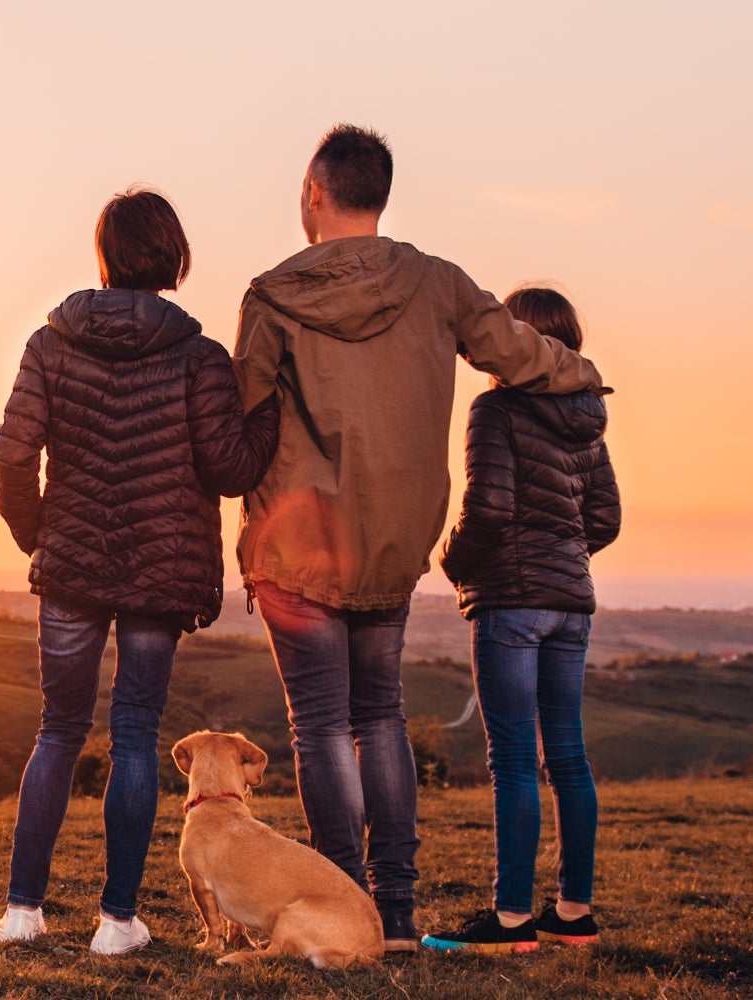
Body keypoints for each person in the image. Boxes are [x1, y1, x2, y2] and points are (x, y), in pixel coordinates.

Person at [231, 124, 604, 952]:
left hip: (299, 549)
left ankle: (343, 905)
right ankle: (395, 916)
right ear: (382, 194)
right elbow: (520, 355)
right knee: (381, 718)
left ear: (313, 193)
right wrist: (585, 379)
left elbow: (240, 426)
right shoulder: (439, 284)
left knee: (322, 725)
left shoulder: (271, 296)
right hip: (396, 543)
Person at [0, 187, 282, 954]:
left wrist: (41, 538)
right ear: (172, 256)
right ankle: (117, 923)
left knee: (57, 731)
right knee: (135, 736)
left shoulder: (49, 344)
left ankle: (23, 912)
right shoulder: (199, 357)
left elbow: (14, 452)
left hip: (72, 569)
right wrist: (270, 413)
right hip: (160, 573)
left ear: (105, 255)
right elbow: (228, 467)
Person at [418, 287, 620, 953]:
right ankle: (574, 914)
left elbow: (491, 506)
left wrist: (452, 560)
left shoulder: (496, 410)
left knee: (511, 760)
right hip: (571, 602)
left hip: (510, 600)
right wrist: (561, 555)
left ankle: (509, 922)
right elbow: (605, 520)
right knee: (567, 754)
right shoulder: (588, 418)